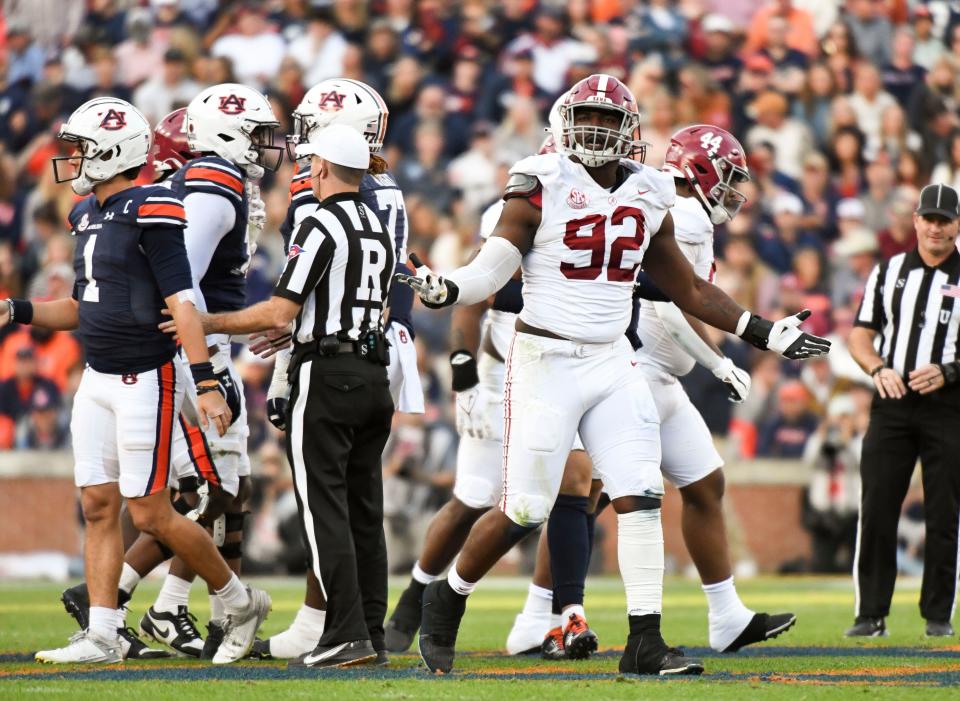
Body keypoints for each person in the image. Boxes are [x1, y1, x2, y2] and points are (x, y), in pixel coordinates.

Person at [398, 73, 830, 676]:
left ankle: (644, 643)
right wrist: (451, 286)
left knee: (641, 496)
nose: (597, 131)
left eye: (608, 120)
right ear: (565, 125)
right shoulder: (539, 182)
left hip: (612, 360)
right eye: (588, 118)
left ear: (629, 132)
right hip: (545, 360)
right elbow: (493, 266)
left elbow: (686, 288)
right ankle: (448, 597)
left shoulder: (650, 191)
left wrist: (765, 331)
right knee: (523, 507)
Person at [7, 97, 269, 665]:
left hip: (143, 377)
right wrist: (17, 309)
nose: (71, 162)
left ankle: (238, 598)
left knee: (152, 513)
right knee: (99, 506)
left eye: (80, 151)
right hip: (96, 378)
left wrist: (203, 382)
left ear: (110, 153)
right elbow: (81, 308)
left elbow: (183, 302)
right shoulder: (89, 215)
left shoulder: (152, 206)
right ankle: (102, 635)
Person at [162, 124, 395, 669]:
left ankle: (345, 634)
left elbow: (278, 311)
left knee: (324, 510)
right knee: (365, 510)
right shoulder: (378, 223)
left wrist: (203, 321)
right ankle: (371, 632)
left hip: (329, 376)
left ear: (319, 169)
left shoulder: (322, 220)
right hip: (373, 374)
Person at [252, 77, 422, 663]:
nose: (302, 144)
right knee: (359, 502)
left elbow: (289, 308)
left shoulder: (322, 199)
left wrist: (278, 374)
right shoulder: (389, 191)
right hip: (383, 346)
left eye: (314, 132)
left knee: (325, 501)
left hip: (331, 347)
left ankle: (336, 626)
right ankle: (350, 627)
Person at [846, 182, 960, 638]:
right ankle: (870, 614)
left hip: (948, 406)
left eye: (944, 219)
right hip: (892, 402)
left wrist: (950, 372)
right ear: (915, 221)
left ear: (957, 225)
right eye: (928, 218)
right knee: (877, 505)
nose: (935, 227)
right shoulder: (888, 270)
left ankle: (937, 615)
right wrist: (876, 368)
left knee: (943, 509)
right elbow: (860, 333)